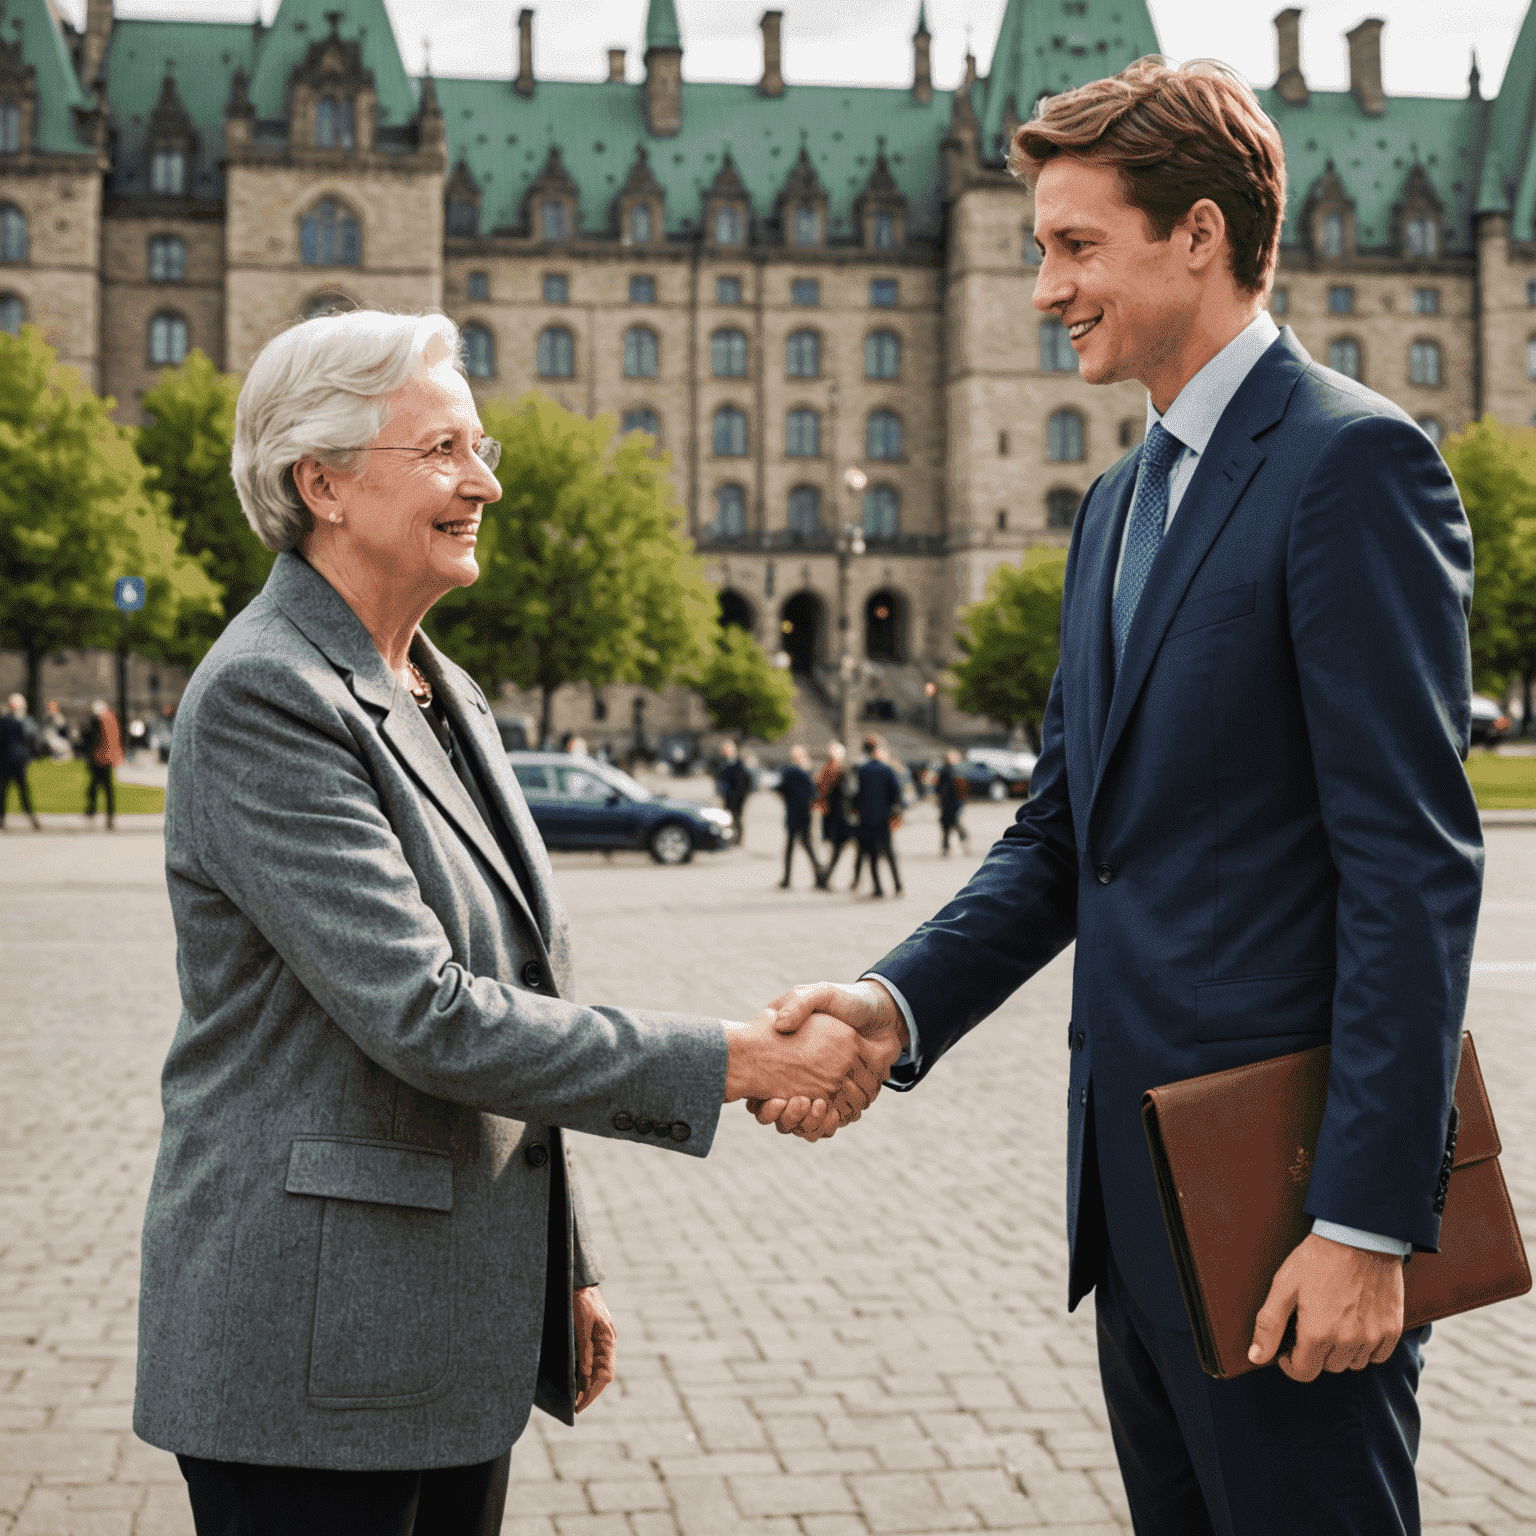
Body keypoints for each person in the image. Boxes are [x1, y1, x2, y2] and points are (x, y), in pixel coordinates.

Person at [755, 58, 1481, 1536]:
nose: (1042, 288)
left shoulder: (1354, 466)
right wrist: (892, 1005)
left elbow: (1412, 872)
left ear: (1198, 237)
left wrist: (1365, 1222)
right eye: (1039, 248)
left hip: (1285, 1210)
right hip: (1140, 1213)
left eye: (1075, 246)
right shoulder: (1115, 504)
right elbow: (1065, 842)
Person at [133, 309, 882, 1536]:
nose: (483, 479)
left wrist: (553, 1269)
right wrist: (748, 1061)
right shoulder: (269, 691)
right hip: (312, 1343)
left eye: (477, 448)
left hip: (440, 1319)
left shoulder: (438, 684)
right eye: (441, 451)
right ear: (319, 482)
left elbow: (519, 973)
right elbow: (427, 1015)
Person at [851, 735, 903, 898]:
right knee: (888, 852)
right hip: (883, 817)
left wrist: (857, 810)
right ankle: (897, 885)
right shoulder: (886, 769)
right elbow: (896, 791)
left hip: (866, 818)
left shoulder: (862, 770)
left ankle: (878, 888)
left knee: (872, 854)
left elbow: (856, 794)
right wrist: (891, 809)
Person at [775, 744, 825, 890]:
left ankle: (789, 879)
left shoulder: (790, 772)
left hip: (795, 814)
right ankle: (818, 874)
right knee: (806, 846)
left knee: (796, 848)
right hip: (804, 814)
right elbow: (814, 793)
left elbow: (783, 789)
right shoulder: (808, 772)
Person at [814, 741, 854, 885]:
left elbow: (819, 792)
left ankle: (824, 876)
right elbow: (848, 794)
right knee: (841, 848)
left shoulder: (824, 771)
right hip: (840, 817)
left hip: (829, 816)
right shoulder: (840, 772)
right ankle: (825, 877)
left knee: (836, 849)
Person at [0, 693, 42, 831]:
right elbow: (27, 742)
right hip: (16, 761)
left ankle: (4, 819)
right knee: (21, 791)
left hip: (7, 761)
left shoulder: (6, 721)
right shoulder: (19, 723)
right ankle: (32, 819)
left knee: (5, 791)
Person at [82, 698, 122, 829]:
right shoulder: (112, 719)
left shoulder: (99, 721)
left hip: (99, 758)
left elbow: (93, 739)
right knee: (106, 789)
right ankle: (107, 816)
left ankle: (92, 812)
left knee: (96, 788)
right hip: (108, 759)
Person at [715, 737, 751, 844]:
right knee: (726, 818)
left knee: (736, 818)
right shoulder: (723, 763)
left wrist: (739, 795)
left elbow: (745, 782)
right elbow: (720, 779)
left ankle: (738, 839)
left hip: (737, 797)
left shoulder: (739, 764)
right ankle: (728, 838)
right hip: (727, 796)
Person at [935, 749, 969, 855]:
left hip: (950, 802)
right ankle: (961, 841)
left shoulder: (946, 771)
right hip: (952, 802)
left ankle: (947, 847)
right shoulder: (955, 771)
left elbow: (939, 788)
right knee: (951, 824)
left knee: (948, 825)